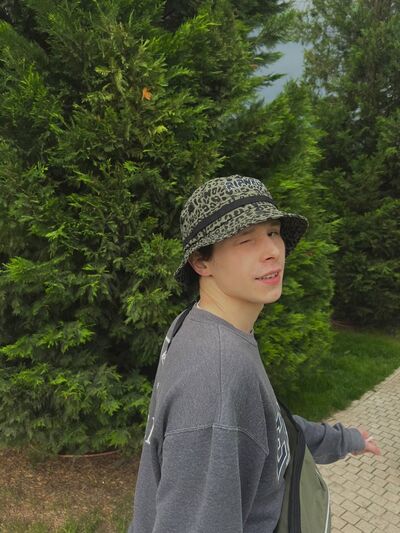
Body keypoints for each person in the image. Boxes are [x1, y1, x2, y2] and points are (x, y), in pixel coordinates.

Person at [128, 175, 380, 533]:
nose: (273, 250)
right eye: (246, 239)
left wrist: (345, 440)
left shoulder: (202, 326)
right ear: (201, 262)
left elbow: (271, 429)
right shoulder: (218, 374)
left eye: (273, 232)